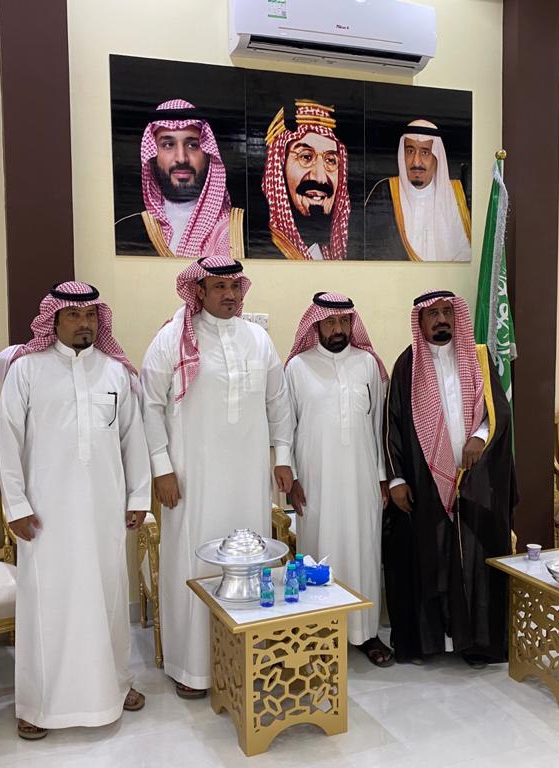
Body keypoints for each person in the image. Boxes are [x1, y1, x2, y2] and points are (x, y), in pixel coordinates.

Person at [0, 281, 151, 739]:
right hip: (46, 513)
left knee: (108, 598)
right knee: (48, 603)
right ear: (54, 320)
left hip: (104, 508)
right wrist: (16, 505)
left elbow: (133, 437)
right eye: (74, 315)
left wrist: (138, 498)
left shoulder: (115, 372)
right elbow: (8, 440)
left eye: (91, 316)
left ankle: (116, 685)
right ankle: (37, 704)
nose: (85, 324)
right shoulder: (26, 370)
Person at [140, 253, 294, 697]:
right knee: (195, 560)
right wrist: (162, 469)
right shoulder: (171, 340)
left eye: (234, 287)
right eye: (219, 287)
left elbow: (278, 402)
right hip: (192, 479)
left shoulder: (258, 339)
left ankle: (247, 659)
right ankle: (193, 668)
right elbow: (150, 405)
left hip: (248, 477)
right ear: (199, 291)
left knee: (250, 558)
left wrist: (282, 457)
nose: (229, 295)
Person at [383, 290, 517, 666]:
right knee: (431, 559)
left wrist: (479, 438)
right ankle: (429, 643)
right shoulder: (407, 365)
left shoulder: (477, 358)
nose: (442, 319)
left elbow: (499, 412)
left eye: (447, 312)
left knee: (475, 562)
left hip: (475, 478)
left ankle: (478, 644)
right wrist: (396, 480)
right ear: (420, 320)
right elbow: (391, 425)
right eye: (433, 314)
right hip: (424, 481)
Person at [285, 292, 392, 666]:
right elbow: (285, 427)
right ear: (316, 324)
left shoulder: (368, 365)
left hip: (363, 481)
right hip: (315, 482)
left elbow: (378, 426)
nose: (338, 329)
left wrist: (382, 478)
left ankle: (366, 634)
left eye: (344, 321)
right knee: (320, 552)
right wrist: (292, 478)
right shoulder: (297, 367)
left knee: (364, 555)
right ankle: (317, 636)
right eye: (330, 322)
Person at [115, 99, 244, 258]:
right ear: (153, 155)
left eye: (193, 145)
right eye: (168, 145)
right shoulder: (127, 231)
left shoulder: (236, 229)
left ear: (207, 154)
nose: (182, 158)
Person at [365, 119, 472, 262]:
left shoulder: (456, 197)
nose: (416, 162)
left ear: (436, 158)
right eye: (410, 151)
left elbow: (465, 255)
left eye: (425, 153)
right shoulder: (384, 193)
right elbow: (370, 251)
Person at [262, 99, 350, 260]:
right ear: (279, 167)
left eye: (331, 160)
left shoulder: (335, 253)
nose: (320, 178)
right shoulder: (261, 250)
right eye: (306, 157)